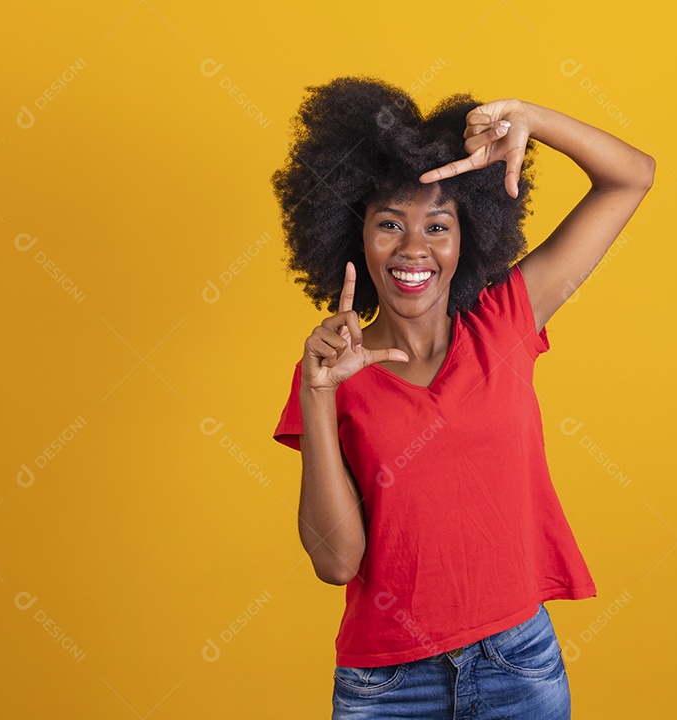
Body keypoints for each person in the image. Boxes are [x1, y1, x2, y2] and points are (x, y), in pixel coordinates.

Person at [269, 76, 654, 719]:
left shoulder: (505, 322)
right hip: (388, 688)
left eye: (437, 226)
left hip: (517, 667)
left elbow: (631, 178)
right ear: (354, 239)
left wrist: (530, 118)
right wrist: (317, 395)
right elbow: (337, 563)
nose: (413, 248)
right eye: (390, 224)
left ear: (467, 237)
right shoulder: (333, 373)